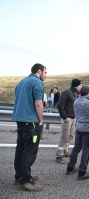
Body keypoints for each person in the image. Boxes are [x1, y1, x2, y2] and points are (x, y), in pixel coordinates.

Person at [12, 63, 47, 192]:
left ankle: (19, 175)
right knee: (30, 150)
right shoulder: (37, 82)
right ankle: (25, 181)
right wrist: (41, 120)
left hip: (20, 120)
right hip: (31, 122)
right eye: (45, 72)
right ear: (39, 71)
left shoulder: (21, 82)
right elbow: (38, 103)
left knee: (20, 148)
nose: (46, 75)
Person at [66, 85, 89, 180]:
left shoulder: (76, 101)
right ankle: (82, 172)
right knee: (86, 150)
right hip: (88, 129)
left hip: (79, 127)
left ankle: (70, 167)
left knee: (76, 148)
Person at [56, 79, 82, 164]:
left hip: (73, 118)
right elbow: (60, 105)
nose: (81, 87)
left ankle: (65, 151)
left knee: (70, 136)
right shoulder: (66, 92)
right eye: (80, 85)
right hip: (67, 118)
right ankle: (59, 155)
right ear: (76, 85)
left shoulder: (75, 93)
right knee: (64, 136)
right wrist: (64, 117)